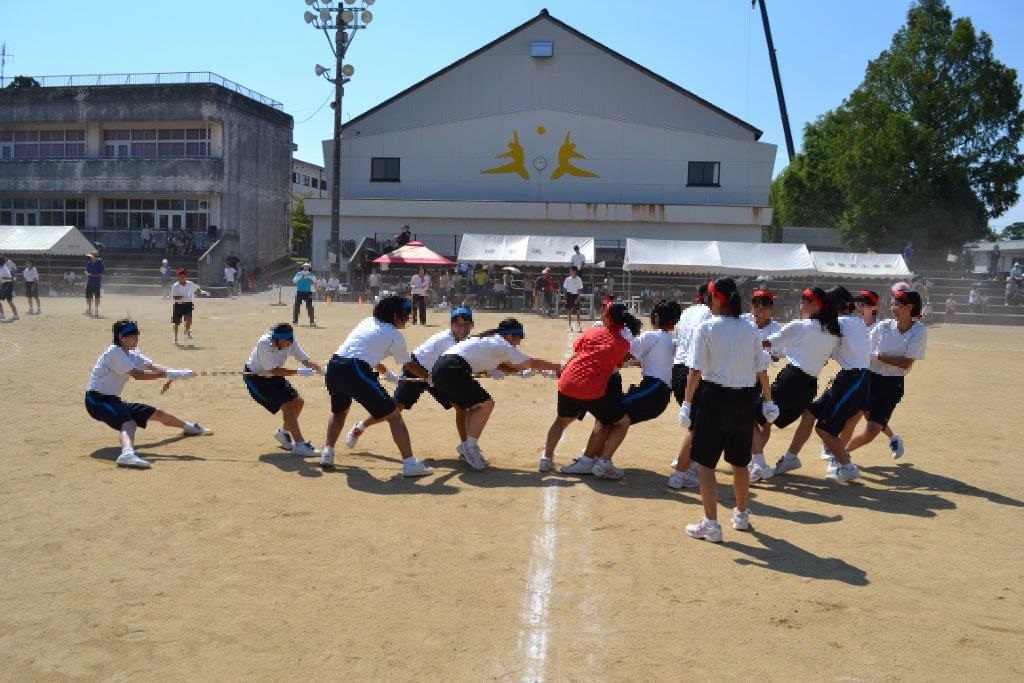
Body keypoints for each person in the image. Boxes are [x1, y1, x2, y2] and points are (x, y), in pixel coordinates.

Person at [679, 278, 775, 543]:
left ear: (717, 299)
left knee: (705, 465)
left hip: (714, 399)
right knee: (740, 463)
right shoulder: (750, 327)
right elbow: (761, 369)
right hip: (744, 400)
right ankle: (741, 514)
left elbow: (695, 370)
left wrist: (687, 404)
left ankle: (711, 524)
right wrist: (768, 400)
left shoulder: (707, 327)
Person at [759, 286, 870, 484]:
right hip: (847, 377)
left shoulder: (839, 324)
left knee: (825, 429)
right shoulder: (851, 323)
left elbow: (813, 339)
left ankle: (847, 467)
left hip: (854, 378)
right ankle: (791, 458)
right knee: (809, 414)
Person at [319, 296, 433, 477]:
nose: (407, 318)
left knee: (340, 411)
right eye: (405, 314)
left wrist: (386, 373)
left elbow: (364, 351)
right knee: (394, 415)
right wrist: (428, 377)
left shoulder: (368, 322)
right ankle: (410, 463)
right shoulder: (395, 335)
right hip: (355, 369)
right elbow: (409, 364)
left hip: (335, 366)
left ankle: (327, 452)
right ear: (395, 315)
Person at [433, 318, 562, 470]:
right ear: (511, 335)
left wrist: (532, 371)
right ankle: (469, 448)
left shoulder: (492, 340)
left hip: (444, 369)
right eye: (519, 337)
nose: (519, 342)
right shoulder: (501, 344)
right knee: (487, 404)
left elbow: (509, 365)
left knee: (475, 407)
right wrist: (558, 367)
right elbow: (531, 363)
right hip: (452, 369)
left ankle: (467, 446)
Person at [346, 306, 476, 455]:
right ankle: (360, 427)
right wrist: (429, 378)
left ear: (471, 325)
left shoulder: (468, 342)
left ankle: (466, 448)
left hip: (437, 375)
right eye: (458, 324)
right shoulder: (445, 340)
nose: (463, 328)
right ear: (452, 325)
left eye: (467, 324)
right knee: (394, 409)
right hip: (416, 368)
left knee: (461, 407)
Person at [85, 319, 211, 469]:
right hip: (96, 401)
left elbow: (152, 366)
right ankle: (127, 454)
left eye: (137, 334)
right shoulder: (114, 352)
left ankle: (189, 428)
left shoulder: (132, 353)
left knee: (159, 414)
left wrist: (177, 372)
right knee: (129, 423)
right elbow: (137, 375)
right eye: (132, 335)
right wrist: (167, 374)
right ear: (121, 337)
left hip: (112, 400)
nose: (136, 338)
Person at [539, 301, 635, 478]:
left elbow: (578, 350)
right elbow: (617, 364)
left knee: (561, 421)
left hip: (568, 381)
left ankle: (546, 459)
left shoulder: (593, 331)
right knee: (620, 422)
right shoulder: (623, 343)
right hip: (592, 388)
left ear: (607, 318)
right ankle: (602, 461)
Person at [582, 301, 681, 470]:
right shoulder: (671, 339)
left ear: (656, 317)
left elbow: (625, 353)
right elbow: (648, 360)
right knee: (617, 418)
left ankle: (602, 462)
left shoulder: (652, 336)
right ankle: (599, 455)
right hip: (659, 394)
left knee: (614, 414)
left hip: (653, 389)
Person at [845, 289, 926, 458]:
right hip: (870, 377)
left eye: (897, 305)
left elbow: (906, 363)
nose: (892, 308)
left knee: (871, 430)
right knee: (852, 415)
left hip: (892, 384)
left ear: (909, 307)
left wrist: (879, 357)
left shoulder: (919, 331)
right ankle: (840, 455)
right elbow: (864, 349)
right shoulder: (884, 326)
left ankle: (842, 452)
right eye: (892, 304)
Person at [243, 322, 323, 457]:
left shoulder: (292, 342)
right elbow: (273, 370)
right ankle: (300, 445)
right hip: (257, 378)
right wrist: (298, 372)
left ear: (288, 340)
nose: (275, 343)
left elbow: (306, 361)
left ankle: (283, 432)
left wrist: (320, 370)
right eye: (274, 339)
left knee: (298, 402)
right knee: (286, 407)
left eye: (278, 341)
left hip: (274, 375)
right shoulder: (264, 343)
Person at [666, 282, 712, 489]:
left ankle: (686, 462)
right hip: (693, 372)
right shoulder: (710, 315)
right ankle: (680, 474)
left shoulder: (687, 312)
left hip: (678, 370)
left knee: (697, 424)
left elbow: (677, 342)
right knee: (698, 429)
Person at [170, 268, 208, 345]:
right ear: (178, 277)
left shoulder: (190, 283)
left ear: (185, 277)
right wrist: (182, 297)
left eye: (183, 276)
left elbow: (196, 287)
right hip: (179, 305)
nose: (182, 278)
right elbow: (173, 297)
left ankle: (187, 331)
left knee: (189, 319)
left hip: (188, 304)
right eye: (180, 276)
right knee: (176, 322)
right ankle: (175, 337)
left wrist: (201, 291)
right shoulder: (175, 286)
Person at [84, 252, 105, 317]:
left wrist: (95, 275)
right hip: (89, 282)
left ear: (95, 257)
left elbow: (103, 273)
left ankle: (96, 310)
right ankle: (89, 309)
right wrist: (87, 273)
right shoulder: (89, 263)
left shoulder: (100, 263)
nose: (90, 258)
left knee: (97, 297)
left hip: (97, 283)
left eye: (91, 257)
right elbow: (86, 271)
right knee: (88, 297)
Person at [564, 266, 584, 332]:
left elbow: (579, 289)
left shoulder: (579, 279)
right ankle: (569, 326)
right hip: (569, 295)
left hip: (576, 295)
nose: (570, 272)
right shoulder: (567, 279)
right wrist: (565, 298)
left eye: (571, 271)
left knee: (578, 311)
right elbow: (565, 289)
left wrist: (578, 297)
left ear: (575, 271)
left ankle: (578, 326)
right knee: (569, 311)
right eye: (570, 271)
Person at [0, 256, 18, 321]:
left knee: (9, 301)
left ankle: (2, 314)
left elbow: (10, 278)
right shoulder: (2, 268)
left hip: (7, 284)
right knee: (9, 301)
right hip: (6, 284)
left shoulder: (4, 269)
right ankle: (16, 315)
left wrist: (1, 278)